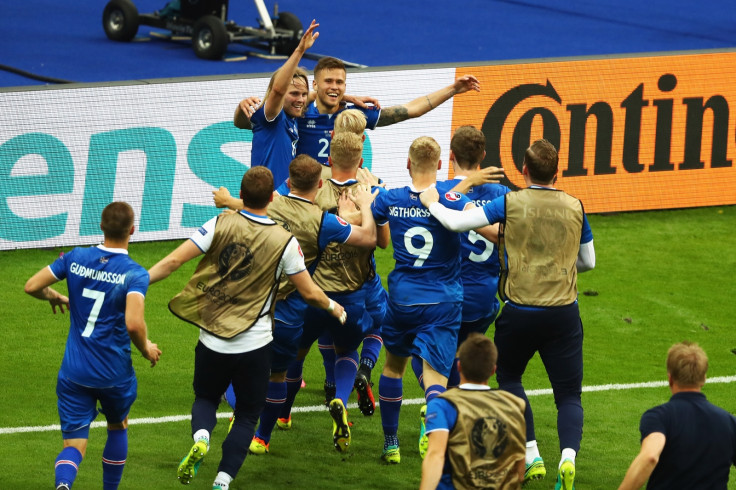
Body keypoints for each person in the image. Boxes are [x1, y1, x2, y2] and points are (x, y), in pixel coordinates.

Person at [147, 167, 346, 490]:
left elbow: (172, 262)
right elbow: (309, 292)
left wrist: (137, 282)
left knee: (206, 398)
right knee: (247, 415)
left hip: (212, 337)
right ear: (271, 198)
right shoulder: (285, 241)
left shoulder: (220, 222)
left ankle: (201, 438)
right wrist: (334, 307)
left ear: (242, 194)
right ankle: (223, 481)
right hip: (254, 344)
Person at [419, 139, 596, 489]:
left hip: (520, 311)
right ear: (557, 172)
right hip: (563, 313)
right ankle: (567, 458)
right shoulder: (575, 206)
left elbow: (459, 224)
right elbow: (588, 261)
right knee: (569, 395)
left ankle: (532, 453)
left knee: (511, 378)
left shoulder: (510, 201)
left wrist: (431, 203)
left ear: (524, 170)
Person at [213, 154, 378, 455]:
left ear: (287, 181)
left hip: (252, 305)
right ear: (319, 184)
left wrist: (226, 199)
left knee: (235, 368)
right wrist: (365, 205)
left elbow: (245, 209)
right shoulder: (323, 222)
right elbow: (369, 238)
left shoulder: (271, 203)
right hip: (292, 312)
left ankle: (238, 408)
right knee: (280, 374)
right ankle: (262, 437)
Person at [370, 136, 496, 464]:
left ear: (408, 164)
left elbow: (373, 226)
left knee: (393, 368)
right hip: (442, 302)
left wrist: (367, 192)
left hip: (401, 300)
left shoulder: (389, 199)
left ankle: (391, 444)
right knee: (435, 380)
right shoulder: (452, 200)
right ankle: (433, 428)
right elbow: (490, 230)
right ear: (440, 165)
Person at [23, 201, 161, 490]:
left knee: (74, 444)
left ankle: (63, 485)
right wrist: (146, 348)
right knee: (118, 426)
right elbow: (134, 323)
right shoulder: (135, 274)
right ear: (132, 230)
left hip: (75, 372)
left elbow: (32, 286)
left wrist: (54, 296)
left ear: (101, 226)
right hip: (114, 374)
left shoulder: (75, 257)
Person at [411, 125, 510, 393]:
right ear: (483, 155)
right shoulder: (501, 195)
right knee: (463, 355)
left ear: (451, 155)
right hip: (484, 300)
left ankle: (440, 402)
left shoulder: (438, 192)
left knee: (421, 355)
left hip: (447, 295)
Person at [618, 341, 736, 489]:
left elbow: (650, 456)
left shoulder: (659, 417)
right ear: (704, 378)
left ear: (670, 378)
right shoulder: (729, 422)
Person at [421, 333, 526, 489]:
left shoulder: (443, 405)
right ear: (493, 370)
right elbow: (519, 467)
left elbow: (436, 455)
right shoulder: (514, 405)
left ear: (459, 367)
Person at [232, 19, 319, 186]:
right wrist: (300, 50)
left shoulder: (291, 116)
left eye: (303, 94)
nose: (300, 99)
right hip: (267, 204)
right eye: (294, 93)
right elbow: (278, 90)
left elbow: (314, 96)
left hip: (284, 203)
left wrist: (348, 98)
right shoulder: (273, 116)